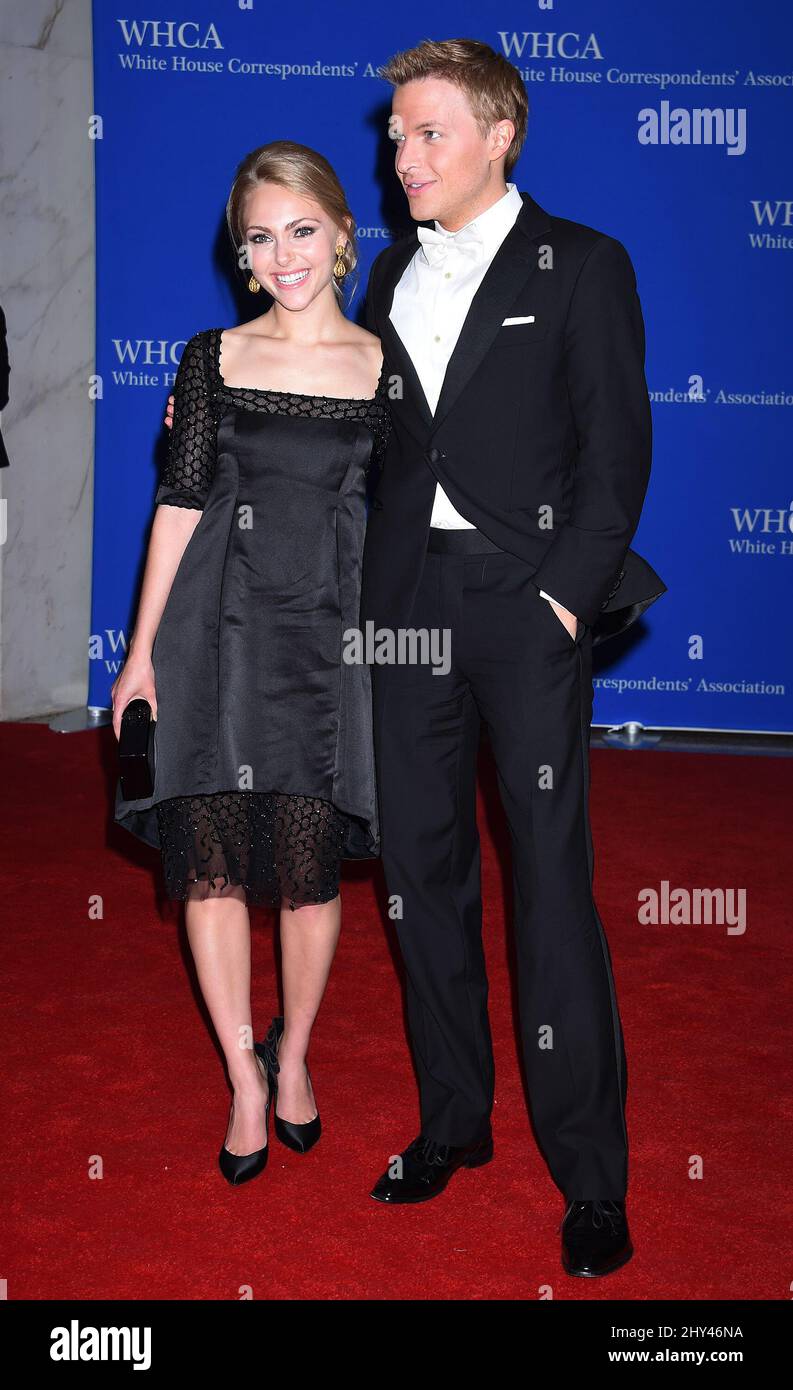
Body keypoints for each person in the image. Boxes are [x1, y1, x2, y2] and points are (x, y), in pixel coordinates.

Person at [360, 39, 666, 1276]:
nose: (402, 155)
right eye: (394, 136)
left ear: (498, 136)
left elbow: (617, 455)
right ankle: (453, 1121)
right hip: (405, 606)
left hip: (522, 601)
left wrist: (557, 601)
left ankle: (590, 1173)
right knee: (419, 874)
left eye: (428, 133)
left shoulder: (583, 264)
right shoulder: (385, 272)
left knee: (549, 883)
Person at [112, 141, 390, 1186]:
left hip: (329, 633)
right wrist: (139, 657)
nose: (284, 256)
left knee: (310, 876)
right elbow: (178, 507)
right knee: (216, 862)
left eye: (302, 230)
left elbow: (421, 512)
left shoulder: (382, 363)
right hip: (213, 632)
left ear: (340, 231)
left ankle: (297, 1056)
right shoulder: (209, 357)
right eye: (260, 238)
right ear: (240, 253)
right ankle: (241, 1074)